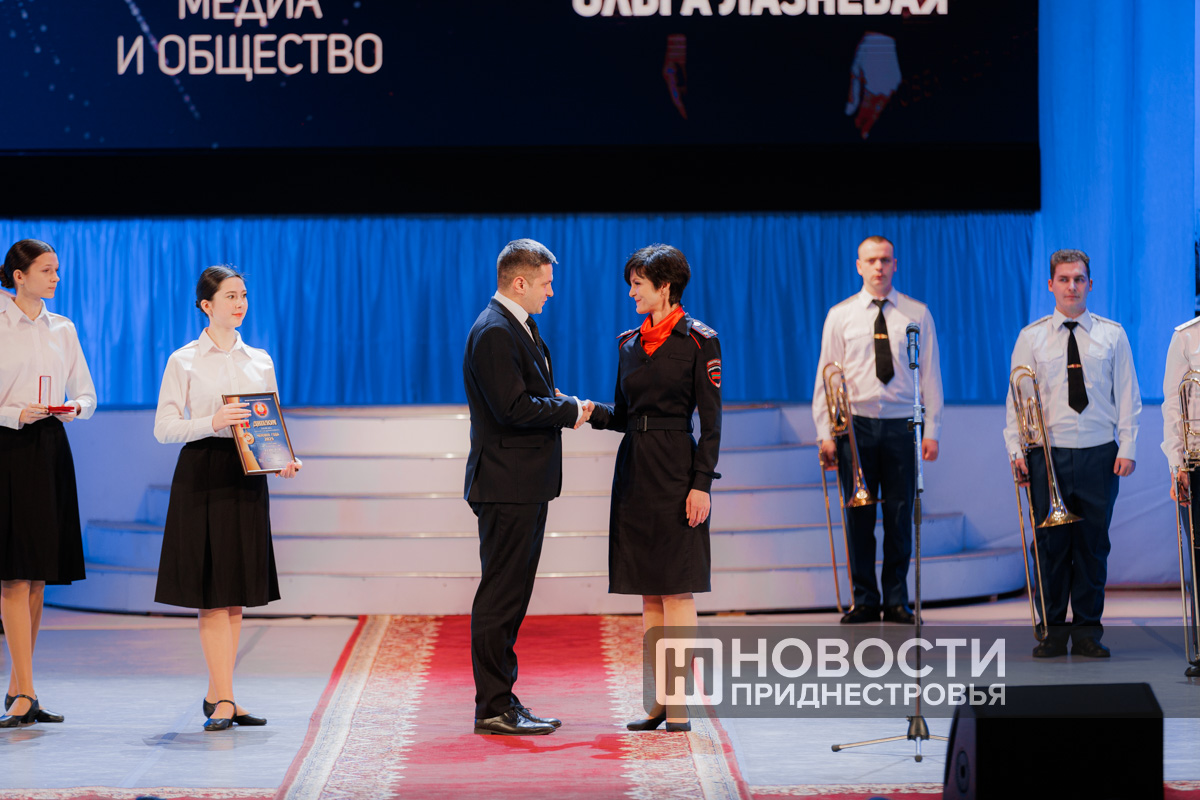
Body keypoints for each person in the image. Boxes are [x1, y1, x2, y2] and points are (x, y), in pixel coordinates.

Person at [153, 265, 302, 731]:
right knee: (212, 593)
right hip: (203, 470)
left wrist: (282, 458)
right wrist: (211, 422)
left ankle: (221, 694)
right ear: (206, 305)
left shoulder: (259, 359)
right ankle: (223, 699)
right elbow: (163, 428)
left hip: (247, 475)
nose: (240, 304)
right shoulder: (183, 360)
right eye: (230, 296)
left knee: (235, 593)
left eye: (243, 295)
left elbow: (268, 423)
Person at [588, 244, 721, 732]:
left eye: (638, 284)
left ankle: (681, 702)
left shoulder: (700, 341)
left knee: (676, 587)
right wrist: (587, 411)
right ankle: (659, 700)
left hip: (677, 469)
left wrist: (701, 484)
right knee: (648, 590)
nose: (631, 292)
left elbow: (712, 424)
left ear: (665, 286)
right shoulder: (628, 344)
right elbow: (623, 415)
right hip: (635, 470)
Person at [463, 239, 592, 736]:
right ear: (520, 282)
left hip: (523, 483)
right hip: (506, 484)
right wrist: (568, 410)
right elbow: (513, 409)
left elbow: (529, 395)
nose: (550, 292)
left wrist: (563, 404)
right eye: (545, 283)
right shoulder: (494, 330)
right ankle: (492, 707)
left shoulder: (517, 325)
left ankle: (503, 700)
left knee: (512, 596)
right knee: (501, 596)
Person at [1004, 249, 1139, 658]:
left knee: (1093, 546)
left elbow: (1128, 394)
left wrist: (1128, 445)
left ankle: (1086, 634)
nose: (1072, 286)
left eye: (1079, 279)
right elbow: (1016, 399)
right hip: (1048, 455)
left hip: (1100, 453)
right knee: (1050, 547)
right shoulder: (1031, 337)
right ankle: (1051, 631)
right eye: (1063, 279)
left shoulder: (1112, 335)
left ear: (1090, 284)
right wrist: (1016, 449)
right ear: (1051, 285)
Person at [813, 235, 942, 625]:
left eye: (885, 260)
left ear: (895, 264)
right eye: (871, 260)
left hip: (903, 424)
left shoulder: (917, 313)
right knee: (859, 516)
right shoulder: (840, 315)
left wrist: (932, 429)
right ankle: (865, 600)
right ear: (859, 266)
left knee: (901, 516)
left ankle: (897, 600)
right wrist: (825, 432)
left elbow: (931, 375)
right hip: (856, 426)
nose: (879, 267)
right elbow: (825, 376)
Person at [0, 239, 96, 727]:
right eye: (46, 270)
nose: (56, 277)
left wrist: (72, 407)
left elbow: (87, 393)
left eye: (57, 269)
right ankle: (25, 691)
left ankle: (20, 688)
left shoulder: (63, 327)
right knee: (14, 572)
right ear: (18, 275)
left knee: (37, 573)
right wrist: (17, 413)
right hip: (7, 446)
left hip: (51, 445)